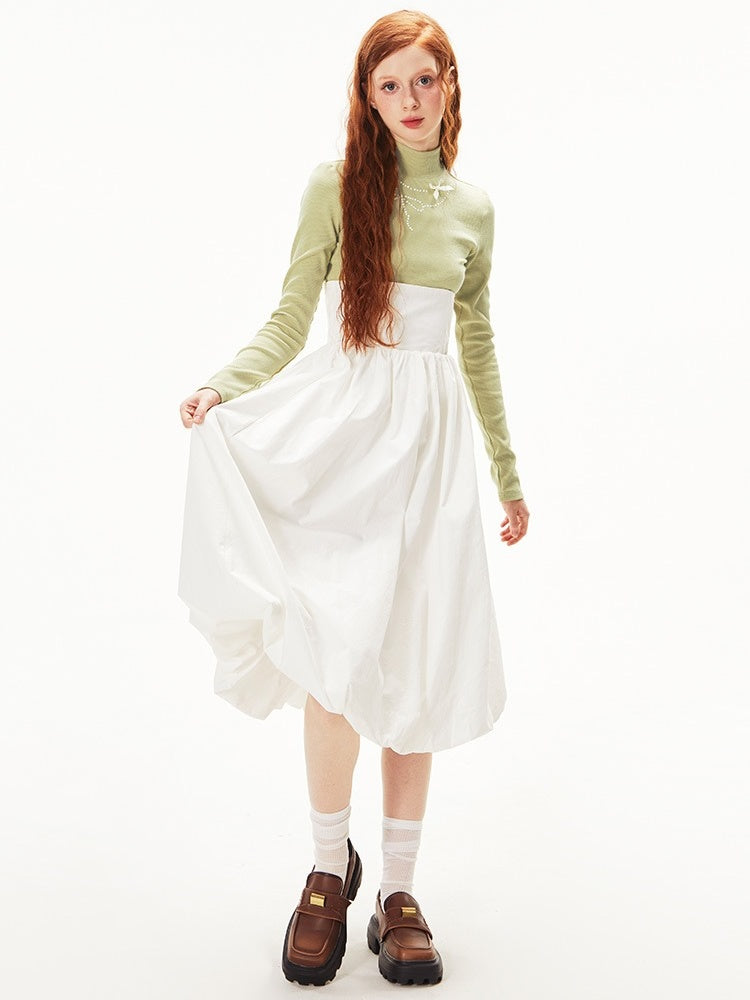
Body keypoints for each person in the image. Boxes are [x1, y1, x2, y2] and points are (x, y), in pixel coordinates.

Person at [177, 9, 530, 989]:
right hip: (343, 447)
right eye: (390, 85)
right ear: (367, 99)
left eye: (425, 80)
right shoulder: (333, 189)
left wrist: (507, 475)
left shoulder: (474, 208)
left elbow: (478, 347)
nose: (410, 101)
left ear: (449, 85)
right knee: (332, 658)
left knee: (415, 663)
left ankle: (400, 892)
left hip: (430, 461)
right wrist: (224, 387)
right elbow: (291, 315)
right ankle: (329, 869)